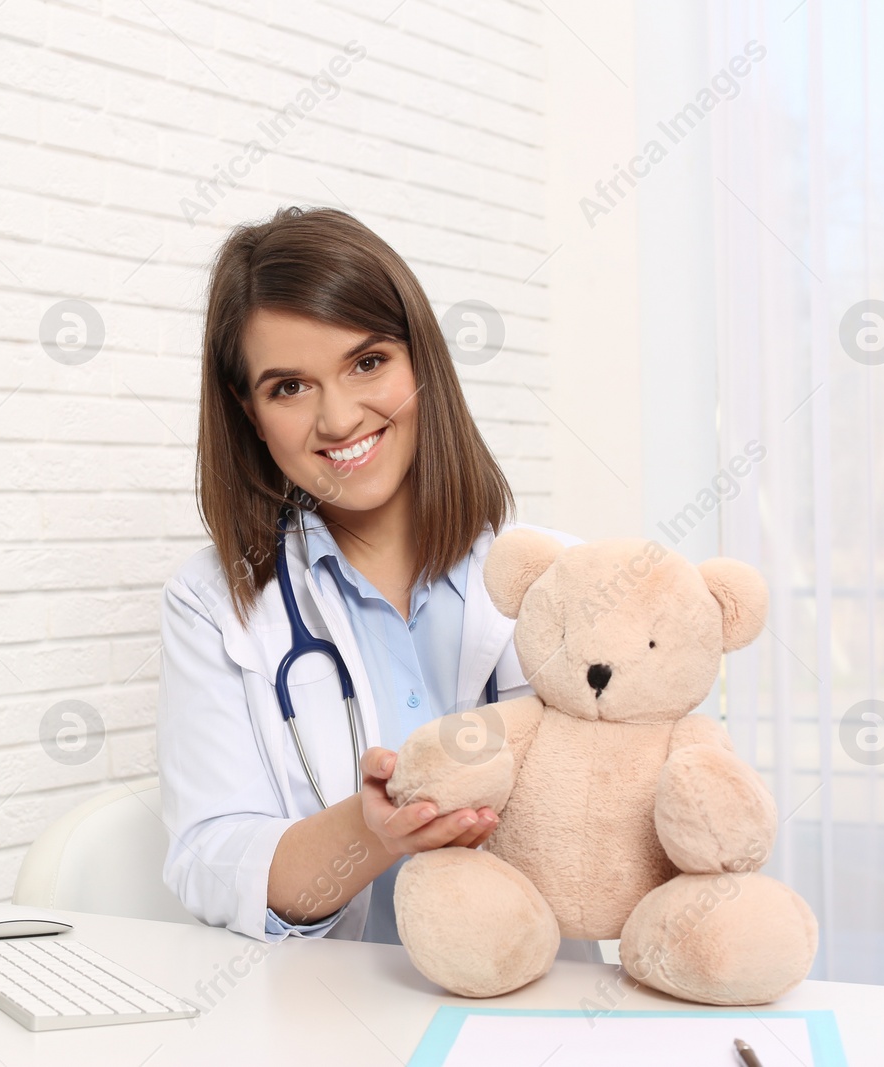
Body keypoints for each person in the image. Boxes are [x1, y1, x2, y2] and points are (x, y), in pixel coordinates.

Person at [156, 206, 597, 959]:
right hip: (334, 1020)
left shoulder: (565, 581)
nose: (338, 417)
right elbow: (211, 856)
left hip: (538, 1010)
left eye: (368, 363)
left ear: (419, 361)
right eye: (289, 386)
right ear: (250, 412)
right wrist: (369, 832)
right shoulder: (212, 602)